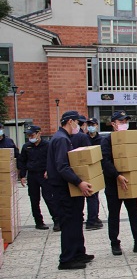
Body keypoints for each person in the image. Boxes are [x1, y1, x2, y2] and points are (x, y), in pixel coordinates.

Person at [101, 110, 137, 256]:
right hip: (113, 183)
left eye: (126, 122)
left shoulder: (130, 139)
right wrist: (117, 175)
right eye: (121, 122)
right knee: (114, 214)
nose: (124, 124)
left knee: (134, 213)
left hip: (128, 182)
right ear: (113, 124)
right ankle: (115, 243)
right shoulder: (107, 141)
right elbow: (105, 161)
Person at [47, 110, 94, 270]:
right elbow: (62, 167)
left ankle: (79, 253)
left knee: (76, 220)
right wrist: (79, 182)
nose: (79, 127)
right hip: (63, 190)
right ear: (70, 122)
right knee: (69, 223)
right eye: (78, 123)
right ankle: (67, 259)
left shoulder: (63, 138)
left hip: (68, 188)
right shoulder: (61, 140)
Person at [18, 125, 56, 230]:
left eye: (32, 134)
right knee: (34, 199)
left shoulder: (47, 145)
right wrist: (22, 176)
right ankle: (39, 222)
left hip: (44, 175)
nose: (30, 137)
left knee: (49, 198)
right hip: (32, 175)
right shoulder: (26, 147)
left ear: (39, 133)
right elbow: (22, 161)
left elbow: (52, 160)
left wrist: (49, 171)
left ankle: (57, 221)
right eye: (29, 135)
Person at [85, 117, 103, 230]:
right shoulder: (84, 138)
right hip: (86, 169)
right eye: (89, 124)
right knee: (91, 195)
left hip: (97, 169)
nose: (91, 126)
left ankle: (94, 217)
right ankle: (91, 220)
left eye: (93, 124)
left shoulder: (101, 139)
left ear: (97, 125)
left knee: (94, 195)